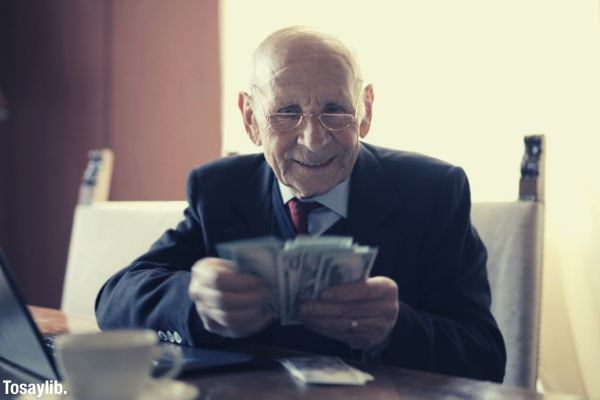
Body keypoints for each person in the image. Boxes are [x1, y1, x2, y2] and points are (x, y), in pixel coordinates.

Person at [95, 27, 506, 382]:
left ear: (365, 111)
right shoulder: (220, 190)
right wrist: (195, 302)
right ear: (250, 119)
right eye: (287, 113)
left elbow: (486, 357)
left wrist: (394, 328)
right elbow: (114, 299)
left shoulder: (434, 192)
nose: (313, 139)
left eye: (335, 110)